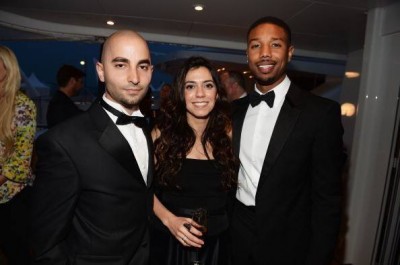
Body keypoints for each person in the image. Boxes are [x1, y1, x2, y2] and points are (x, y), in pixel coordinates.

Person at [30, 30, 154, 265]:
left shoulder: (145, 128)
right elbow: (45, 244)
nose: (134, 77)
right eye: (120, 65)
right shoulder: (63, 142)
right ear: (100, 71)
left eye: (143, 66)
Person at [230, 16, 345, 265]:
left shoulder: (320, 114)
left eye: (276, 45)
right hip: (235, 239)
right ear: (247, 53)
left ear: (290, 52)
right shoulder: (234, 111)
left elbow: (327, 200)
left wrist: (319, 259)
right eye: (256, 45)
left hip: (288, 247)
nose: (265, 54)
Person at [150, 56, 238, 265]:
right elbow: (140, 188)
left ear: (217, 93)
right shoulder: (162, 135)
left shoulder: (229, 136)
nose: (200, 94)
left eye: (208, 85)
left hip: (218, 245)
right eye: (191, 86)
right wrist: (169, 219)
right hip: (171, 241)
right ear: (181, 93)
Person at [0, 46, 37, 265]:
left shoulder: (23, 106)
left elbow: (20, 162)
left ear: (8, 68)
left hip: (12, 198)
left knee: (18, 254)